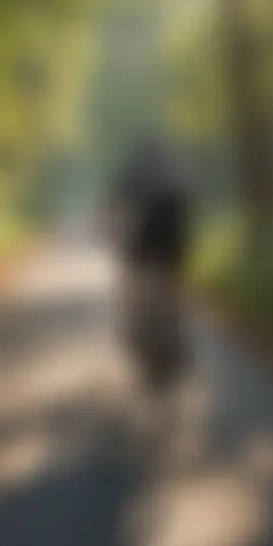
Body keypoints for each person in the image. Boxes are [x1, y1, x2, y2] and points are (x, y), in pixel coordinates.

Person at [107, 139, 193, 393]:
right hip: (173, 248)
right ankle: (174, 338)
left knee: (135, 288)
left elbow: (115, 206)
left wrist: (113, 233)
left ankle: (138, 334)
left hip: (144, 248)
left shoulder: (134, 173)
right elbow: (189, 205)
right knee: (170, 292)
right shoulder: (174, 173)